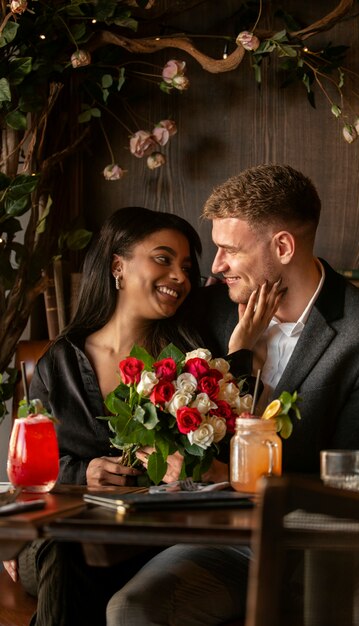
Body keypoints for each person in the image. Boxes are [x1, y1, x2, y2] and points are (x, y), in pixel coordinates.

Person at [106, 165, 359, 625]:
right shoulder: (206, 312)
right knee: (132, 609)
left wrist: (234, 474)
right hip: (224, 546)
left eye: (230, 249)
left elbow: (356, 478)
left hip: (324, 545)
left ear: (283, 246)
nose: (215, 265)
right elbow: (118, 347)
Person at [3, 205, 280, 626]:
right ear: (118, 265)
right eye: (163, 259)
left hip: (154, 542)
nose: (180, 277)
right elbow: (28, 470)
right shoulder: (58, 362)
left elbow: (232, 453)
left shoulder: (192, 360)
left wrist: (239, 350)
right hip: (65, 538)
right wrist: (85, 472)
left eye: (187, 267)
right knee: (67, 549)